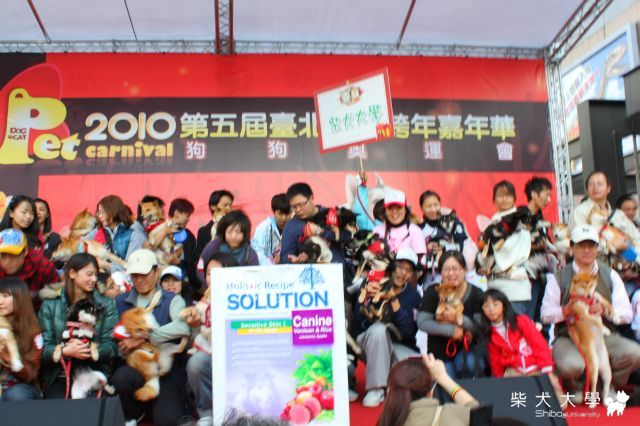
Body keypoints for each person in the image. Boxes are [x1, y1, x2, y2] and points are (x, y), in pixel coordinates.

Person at [540, 224, 640, 401]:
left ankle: (608, 384)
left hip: (604, 334)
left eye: (591, 246)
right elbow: (545, 314)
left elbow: (626, 314)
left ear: (597, 248)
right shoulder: (560, 277)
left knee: (634, 353)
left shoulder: (610, 275)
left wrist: (605, 310)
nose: (586, 250)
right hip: (570, 337)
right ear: (572, 248)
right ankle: (575, 386)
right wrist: (565, 311)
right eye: (581, 246)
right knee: (570, 365)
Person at [112, 249, 190, 426]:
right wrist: (123, 347)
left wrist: (146, 337)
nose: (139, 280)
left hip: (165, 371)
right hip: (134, 367)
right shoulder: (120, 301)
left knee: (169, 420)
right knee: (121, 378)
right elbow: (113, 338)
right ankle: (135, 412)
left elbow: (183, 327)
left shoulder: (172, 299)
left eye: (144, 274)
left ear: (156, 271)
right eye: (135, 275)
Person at [38, 253, 118, 399]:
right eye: (89, 274)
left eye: (96, 275)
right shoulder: (50, 304)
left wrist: (89, 349)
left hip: (92, 374)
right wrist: (64, 351)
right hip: (59, 377)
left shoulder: (106, 305)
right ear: (72, 273)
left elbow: (112, 346)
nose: (94, 279)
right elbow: (43, 348)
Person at [353, 247, 422, 407]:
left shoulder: (413, 296)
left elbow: (409, 332)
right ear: (392, 267)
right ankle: (376, 388)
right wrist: (367, 299)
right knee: (379, 330)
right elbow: (358, 319)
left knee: (415, 377)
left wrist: (393, 301)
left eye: (408, 270)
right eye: (400, 267)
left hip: (397, 345)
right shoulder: (373, 283)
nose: (402, 273)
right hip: (369, 341)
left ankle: (391, 380)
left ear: (412, 274)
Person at [480, 289, 563, 399]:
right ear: (482, 310)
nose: (491, 309)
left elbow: (539, 345)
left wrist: (548, 373)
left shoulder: (521, 321)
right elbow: (495, 361)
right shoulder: (490, 334)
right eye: (486, 306)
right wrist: (499, 382)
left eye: (495, 304)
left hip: (536, 368)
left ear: (504, 305)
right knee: (508, 401)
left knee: (559, 402)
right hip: (514, 372)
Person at [186, 252, 238, 426]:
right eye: (209, 273)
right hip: (211, 354)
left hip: (239, 353)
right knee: (196, 363)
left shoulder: (244, 295)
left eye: (218, 272)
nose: (212, 278)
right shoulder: (202, 303)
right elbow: (195, 340)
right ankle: (207, 413)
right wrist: (194, 326)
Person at [417, 251, 485, 379]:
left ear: (464, 270)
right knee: (447, 380)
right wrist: (451, 330)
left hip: (468, 350)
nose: (451, 273)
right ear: (440, 273)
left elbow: (479, 327)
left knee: (470, 363)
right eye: (446, 269)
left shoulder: (477, 294)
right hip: (440, 352)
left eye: (456, 269)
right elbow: (422, 322)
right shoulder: (433, 291)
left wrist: (458, 319)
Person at [377, 354, 479, 426]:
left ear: (389, 391)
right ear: (430, 393)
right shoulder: (450, 414)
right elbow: (477, 411)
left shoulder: (386, 421)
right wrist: (443, 377)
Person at [482, 181, 531, 315]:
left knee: (515, 324)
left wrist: (492, 247)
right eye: (500, 195)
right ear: (494, 200)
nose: (504, 199)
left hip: (515, 286)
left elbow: (507, 247)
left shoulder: (520, 219)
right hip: (494, 284)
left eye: (508, 195)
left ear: (514, 198)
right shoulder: (493, 221)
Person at [280, 183, 352, 265]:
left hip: (338, 269)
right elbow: (284, 257)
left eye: (300, 204)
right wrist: (293, 260)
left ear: (311, 198)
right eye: (294, 207)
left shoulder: (330, 214)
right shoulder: (291, 226)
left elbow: (349, 237)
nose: (298, 210)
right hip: (309, 270)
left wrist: (321, 232)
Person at [419, 190, 475, 288]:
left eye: (436, 205)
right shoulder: (419, 228)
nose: (433, 209)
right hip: (430, 277)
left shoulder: (454, 221)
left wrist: (444, 248)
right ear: (421, 208)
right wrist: (427, 248)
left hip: (453, 274)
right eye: (428, 206)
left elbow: (462, 246)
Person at [0, 277, 42, 401]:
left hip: (21, 387)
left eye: (6, 296)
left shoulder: (32, 330)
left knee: (16, 394)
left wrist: (6, 356)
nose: (0, 301)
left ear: (20, 298)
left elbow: (31, 375)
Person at [0, 229, 59, 308]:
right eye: (2, 255)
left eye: (12, 255)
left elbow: (57, 295)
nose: (6, 262)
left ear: (25, 251)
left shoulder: (43, 266)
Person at [523, 176, 554, 323]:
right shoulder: (521, 217)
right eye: (546, 195)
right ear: (534, 194)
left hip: (543, 274)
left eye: (550, 196)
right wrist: (537, 245)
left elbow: (546, 242)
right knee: (528, 318)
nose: (549, 200)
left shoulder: (540, 217)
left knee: (541, 318)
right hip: (528, 275)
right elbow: (516, 246)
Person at [90, 195, 147, 271]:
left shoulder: (135, 236)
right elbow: (80, 244)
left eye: (102, 212)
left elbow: (131, 268)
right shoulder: (98, 231)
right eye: (98, 212)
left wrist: (105, 265)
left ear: (114, 211)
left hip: (124, 277)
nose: (99, 216)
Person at [198, 210, 259, 279]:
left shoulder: (250, 254)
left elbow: (254, 277)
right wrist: (207, 282)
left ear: (245, 234)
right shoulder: (214, 246)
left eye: (238, 232)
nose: (233, 236)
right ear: (223, 232)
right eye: (229, 232)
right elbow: (200, 268)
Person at [373, 190, 426, 263]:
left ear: (405, 210)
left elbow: (420, 261)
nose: (394, 212)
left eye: (399, 207)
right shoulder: (377, 230)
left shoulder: (415, 231)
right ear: (385, 211)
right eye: (390, 208)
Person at [251, 194, 291, 265]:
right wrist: (271, 264)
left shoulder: (293, 226)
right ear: (274, 212)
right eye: (280, 214)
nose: (284, 218)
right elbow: (257, 254)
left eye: (287, 214)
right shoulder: (263, 228)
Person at [196, 190, 234, 258]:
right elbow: (199, 258)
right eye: (225, 205)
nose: (229, 209)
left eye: (230, 205)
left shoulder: (235, 228)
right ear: (213, 206)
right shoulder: (203, 231)